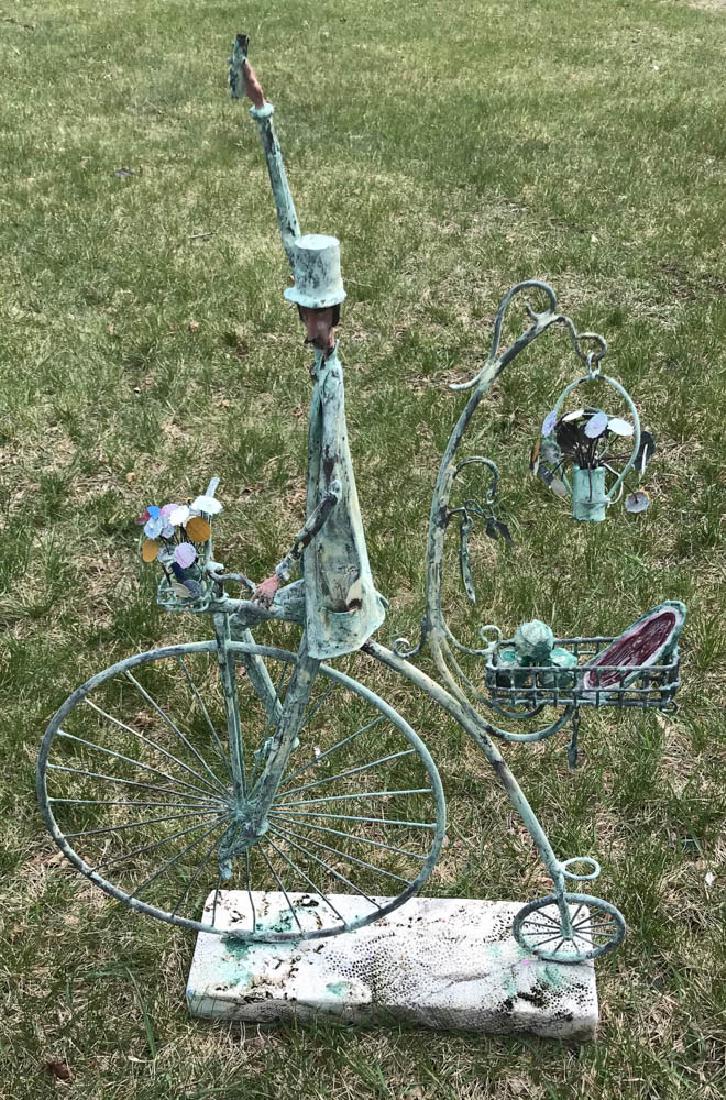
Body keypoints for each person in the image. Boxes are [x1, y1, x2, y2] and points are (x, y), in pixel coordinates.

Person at [235, 44, 386, 661]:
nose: (308, 320)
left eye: (317, 311)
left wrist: (280, 565)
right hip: (323, 542)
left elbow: (330, 491)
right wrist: (262, 112)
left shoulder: (331, 383)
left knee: (292, 622)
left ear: (334, 314)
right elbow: (290, 231)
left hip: (332, 554)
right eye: (305, 308)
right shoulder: (321, 356)